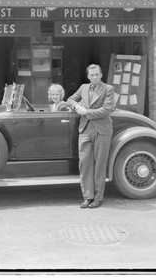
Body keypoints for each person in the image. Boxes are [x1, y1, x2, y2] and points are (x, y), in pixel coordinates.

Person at [67, 64, 115, 209]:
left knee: (99, 165)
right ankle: (88, 197)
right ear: (88, 76)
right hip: (85, 130)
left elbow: (106, 110)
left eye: (96, 74)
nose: (94, 77)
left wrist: (85, 112)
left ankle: (98, 198)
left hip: (102, 130)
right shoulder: (83, 88)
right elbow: (70, 99)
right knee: (85, 164)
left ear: (101, 75)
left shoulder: (108, 89)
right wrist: (76, 106)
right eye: (91, 75)